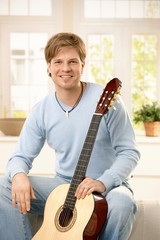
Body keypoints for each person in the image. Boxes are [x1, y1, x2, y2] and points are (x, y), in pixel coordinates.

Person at [0, 32, 140, 240]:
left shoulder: (108, 100)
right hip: (65, 185)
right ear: (48, 66)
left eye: (72, 61)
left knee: (122, 203)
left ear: (82, 65)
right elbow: (20, 156)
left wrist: (103, 182)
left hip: (109, 186)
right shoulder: (41, 110)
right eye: (58, 61)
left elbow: (129, 152)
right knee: (5, 185)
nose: (65, 68)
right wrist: (19, 174)